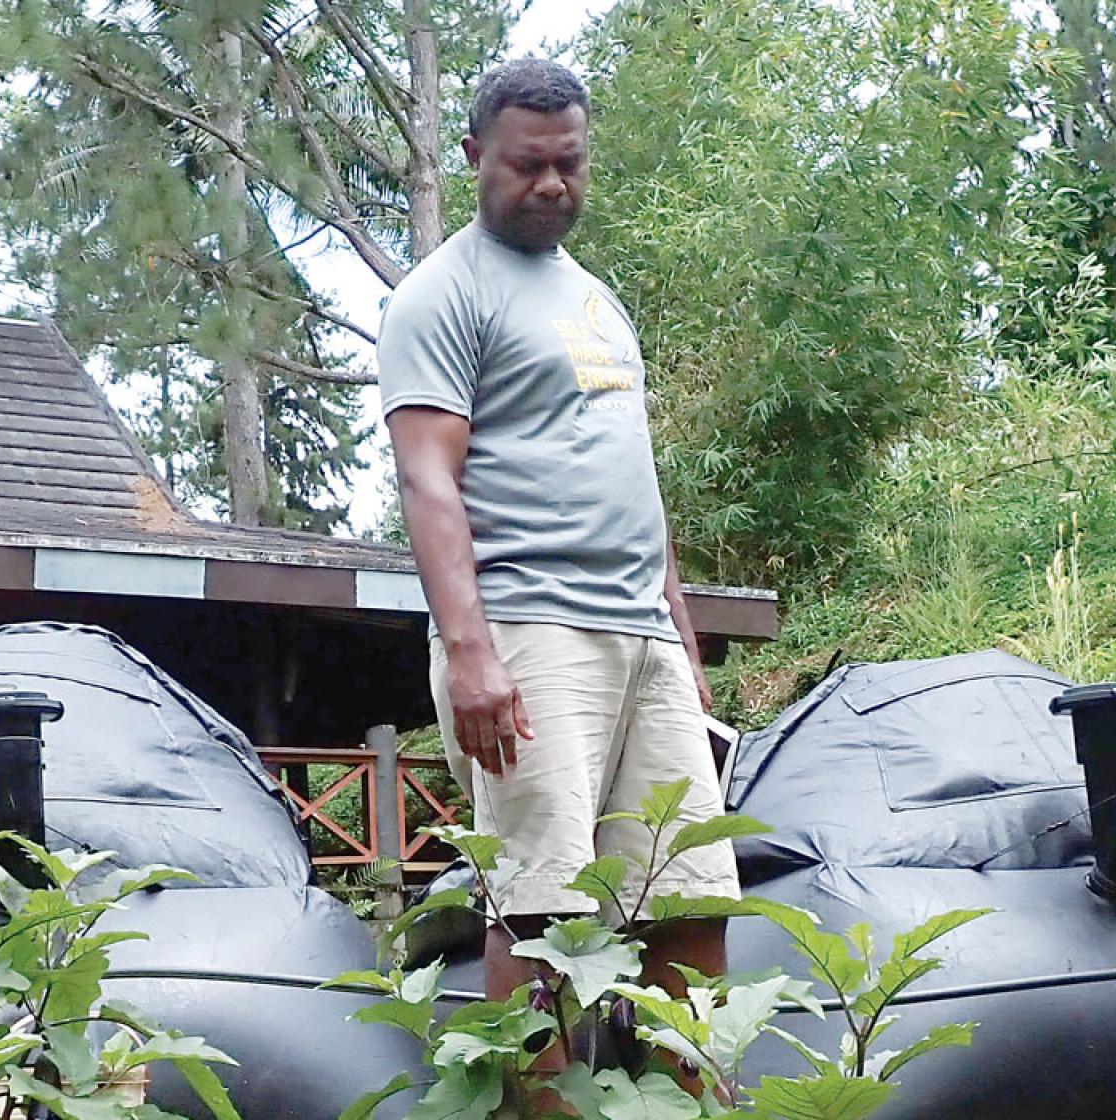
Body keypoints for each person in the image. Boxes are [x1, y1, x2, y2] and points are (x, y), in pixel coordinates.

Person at [380, 57, 738, 1106]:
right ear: (473, 158)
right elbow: (426, 476)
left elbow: (632, 468)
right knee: (540, 912)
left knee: (688, 899)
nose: (550, 186)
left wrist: (676, 628)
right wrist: (471, 648)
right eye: (527, 166)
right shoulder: (441, 293)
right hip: (529, 633)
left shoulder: (595, 298)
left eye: (569, 164)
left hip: (639, 639)